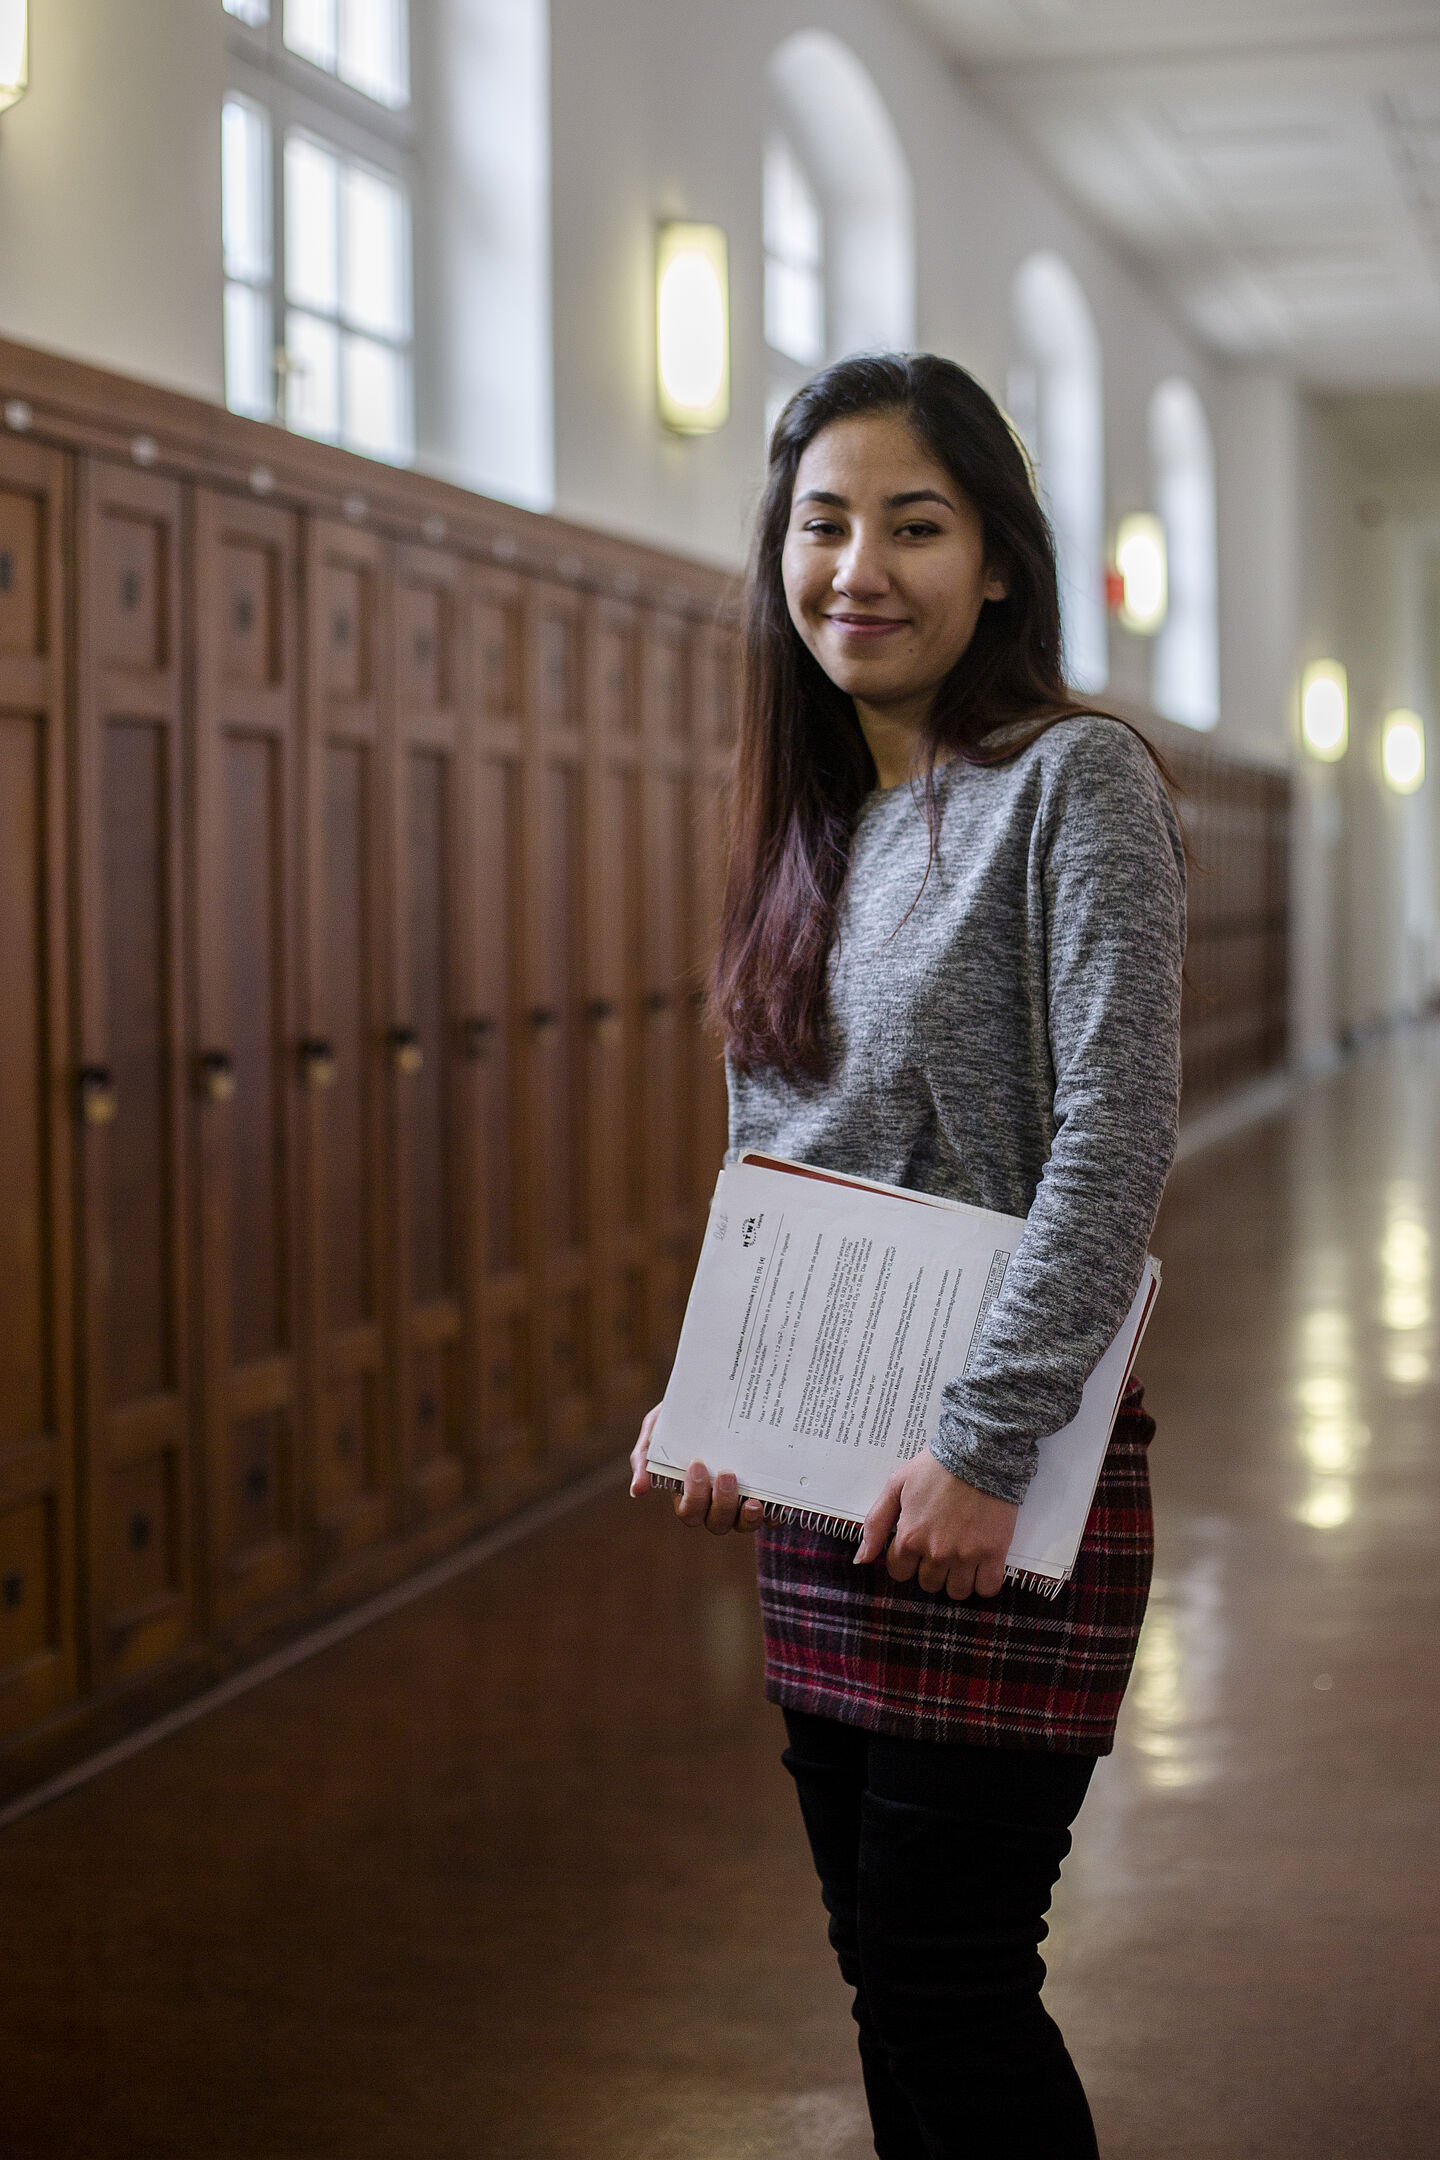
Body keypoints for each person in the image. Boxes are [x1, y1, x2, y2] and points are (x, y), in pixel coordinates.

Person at [630, 352, 1185, 2160]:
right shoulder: (805, 815)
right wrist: (715, 1399)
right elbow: (767, 1159)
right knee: (886, 1972)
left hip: (993, 1485)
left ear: (999, 562)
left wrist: (982, 1442)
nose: (857, 566)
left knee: (956, 1983)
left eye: (913, 524)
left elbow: (1114, 1138)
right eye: (821, 523)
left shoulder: (1070, 784)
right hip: (828, 1493)